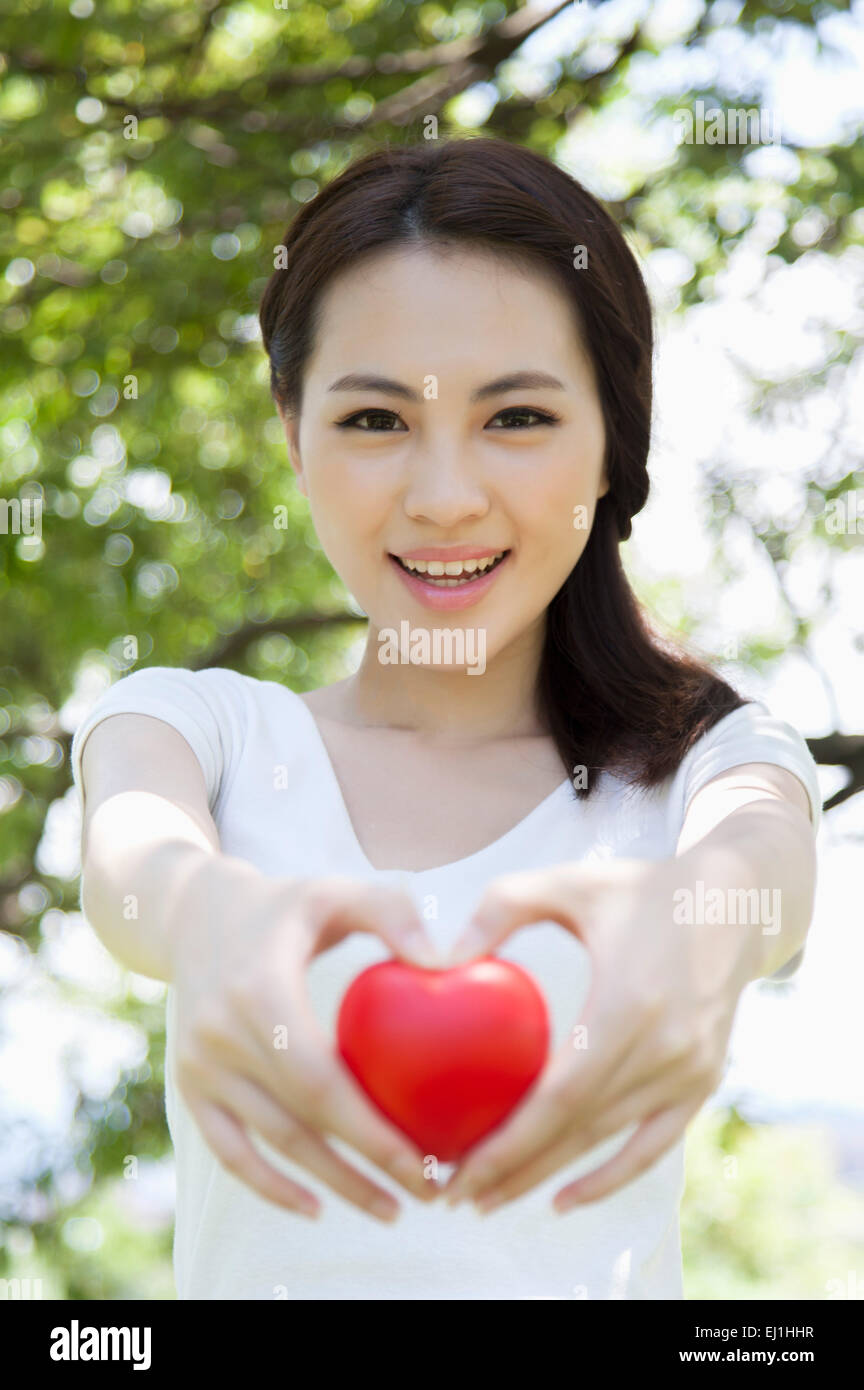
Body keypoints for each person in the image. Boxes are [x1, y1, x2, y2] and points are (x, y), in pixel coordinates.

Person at [72, 137, 821, 1300]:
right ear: (292, 432)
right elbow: (135, 862)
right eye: (374, 421)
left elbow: (761, 856)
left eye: (515, 417)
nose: (443, 497)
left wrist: (699, 923)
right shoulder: (200, 729)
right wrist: (205, 912)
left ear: (612, 438)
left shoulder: (704, 761)